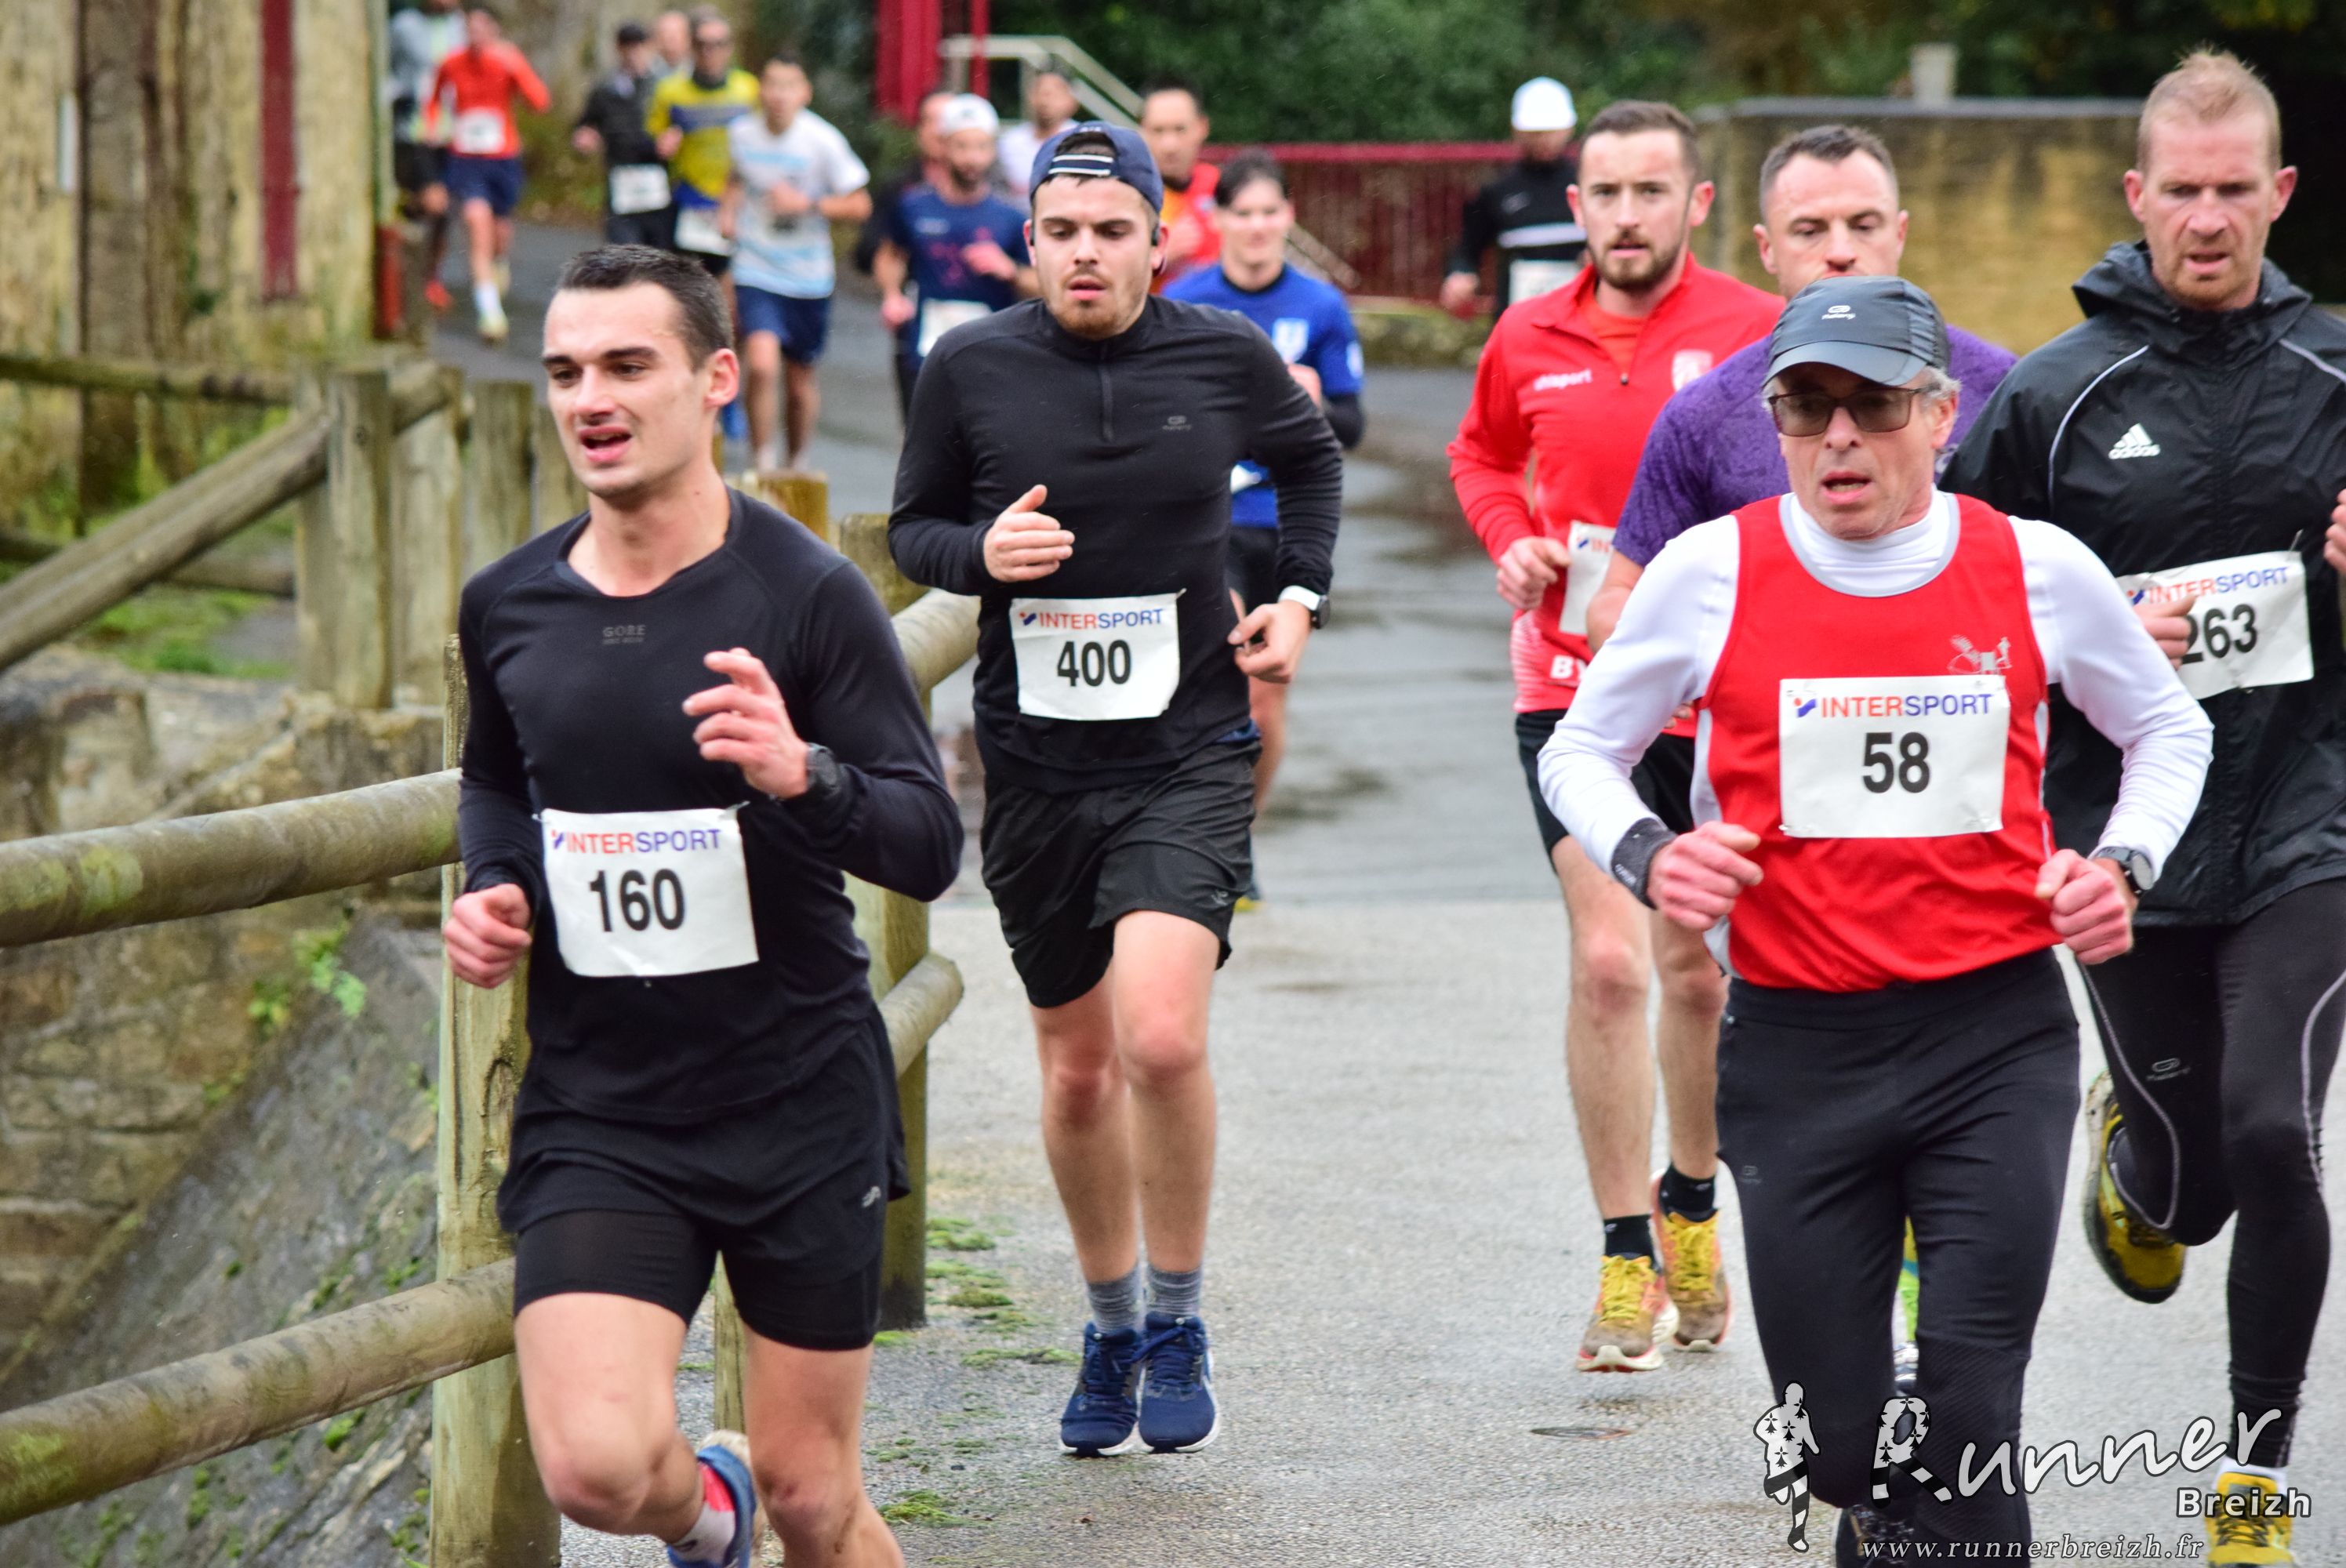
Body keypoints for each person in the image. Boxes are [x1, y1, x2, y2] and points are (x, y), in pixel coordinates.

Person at [1544, 274, 2210, 1560]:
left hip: (1993, 1038)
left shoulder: (2034, 567)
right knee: (1840, 1448)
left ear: (1942, 415)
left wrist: (2120, 865)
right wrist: (1652, 853)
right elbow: (1581, 749)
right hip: (1798, 1051)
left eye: (1875, 405)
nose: (1838, 436)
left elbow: (2168, 728)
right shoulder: (1711, 570)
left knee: (1971, 1406)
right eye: (1808, 406)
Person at [443, 244, 961, 1568]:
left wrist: (804, 775)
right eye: (566, 372)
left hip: (797, 1101)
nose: (590, 400)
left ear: (717, 379)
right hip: (604, 1107)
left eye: (628, 366)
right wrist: (495, 886)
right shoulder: (508, 604)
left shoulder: (807, 596)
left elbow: (927, 843)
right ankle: (706, 1517)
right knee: (596, 1466)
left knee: (817, 1498)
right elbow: (496, 784)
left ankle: (760, 1506)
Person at [1942, 51, 2346, 1563]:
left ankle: (2252, 1481)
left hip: (2311, 813)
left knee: (2274, 1132)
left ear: (2279, 193)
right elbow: (1956, 609)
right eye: (2180, 190)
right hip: (2125, 834)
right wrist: (2097, 627)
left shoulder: (2337, 374)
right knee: (2187, 1193)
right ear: (2136, 194)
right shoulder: (2052, 397)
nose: (2207, 218)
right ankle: (2132, 1150)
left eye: (2234, 189)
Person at [888, 123, 1344, 1457]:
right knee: (1080, 1071)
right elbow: (913, 528)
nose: (1085, 253)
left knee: (1160, 1037)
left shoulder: (1224, 354)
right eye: (1061, 232)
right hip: (1035, 771)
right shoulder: (968, 365)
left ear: (1157, 238)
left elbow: (1311, 460)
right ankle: (1108, 1323)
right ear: (1029, 241)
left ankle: (1180, 1316)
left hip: (1187, 753)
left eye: (1111, 230)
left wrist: (1298, 598)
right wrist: (981, 553)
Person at [1447, 98, 1779, 1374]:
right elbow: (1479, 458)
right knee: (1609, 964)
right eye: (1606, 194)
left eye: (1652, 192)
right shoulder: (1525, 333)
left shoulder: (1755, 331)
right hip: (1572, 694)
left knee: (1694, 970)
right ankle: (1624, 1253)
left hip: (1719, 694)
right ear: (1574, 204)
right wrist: (1511, 541)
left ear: (1697, 203)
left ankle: (1690, 1198)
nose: (1626, 216)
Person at [1165, 152, 1365, 895]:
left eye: (1268, 213)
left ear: (1288, 217)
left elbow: (1352, 425)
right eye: (1241, 213)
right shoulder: (1185, 301)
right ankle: (1192, 834)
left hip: (1281, 523)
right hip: (1206, 523)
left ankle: (1237, 841)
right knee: (1211, 676)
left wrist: (1315, 399)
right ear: (1219, 219)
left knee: (1263, 700)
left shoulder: (1320, 307)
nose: (1255, 227)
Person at [721, 51, 872, 471]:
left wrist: (806, 204)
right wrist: (727, 213)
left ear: (804, 93)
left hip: (808, 275)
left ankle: (796, 461)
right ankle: (762, 462)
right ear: (760, 90)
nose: (779, 95)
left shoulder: (822, 140)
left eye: (789, 86)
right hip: (756, 266)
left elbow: (860, 204)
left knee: (799, 383)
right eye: (772, 84)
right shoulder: (742, 133)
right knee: (761, 362)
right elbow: (736, 179)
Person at [874, 96, 1034, 417]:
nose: (972, 158)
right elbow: (890, 255)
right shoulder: (914, 206)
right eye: (962, 146)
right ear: (944, 147)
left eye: (981, 147)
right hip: (926, 347)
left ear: (993, 151)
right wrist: (892, 295)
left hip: (992, 352)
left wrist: (1010, 270)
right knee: (923, 438)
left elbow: (1045, 284)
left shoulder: (1011, 218)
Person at [428, 5, 550, 343]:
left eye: (482, 28)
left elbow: (540, 102)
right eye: (470, 28)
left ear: (495, 31)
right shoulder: (451, 63)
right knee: (475, 221)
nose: (475, 35)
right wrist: (434, 127)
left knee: (499, 233)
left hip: (502, 158)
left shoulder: (507, 60)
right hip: (466, 159)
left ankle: (499, 262)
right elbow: (433, 100)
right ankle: (490, 313)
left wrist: (516, 68)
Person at [1440, 77, 1585, 318]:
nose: (1543, 139)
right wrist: (1460, 275)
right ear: (1516, 131)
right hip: (1518, 322)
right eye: (1535, 132)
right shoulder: (1497, 191)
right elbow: (1467, 249)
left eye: (1550, 131)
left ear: (1568, 128)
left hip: (1582, 321)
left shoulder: (1590, 185)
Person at [856, 89, 956, 422]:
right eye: (930, 121)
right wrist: (892, 291)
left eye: (947, 122)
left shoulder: (994, 191)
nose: (938, 131)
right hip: (917, 316)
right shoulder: (901, 190)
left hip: (977, 318)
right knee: (919, 421)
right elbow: (868, 251)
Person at [647, 9, 760, 273]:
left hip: (735, 201)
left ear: (730, 48)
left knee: (729, 280)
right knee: (685, 279)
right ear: (691, 46)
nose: (710, 52)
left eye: (718, 44)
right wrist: (661, 144)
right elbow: (652, 136)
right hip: (687, 199)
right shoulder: (670, 90)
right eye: (702, 44)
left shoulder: (749, 89)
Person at [387, 0, 467, 314]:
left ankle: (431, 277)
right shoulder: (404, 26)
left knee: (444, 212)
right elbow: (387, 68)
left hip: (452, 132)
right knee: (432, 203)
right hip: (415, 131)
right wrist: (393, 96)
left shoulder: (461, 26)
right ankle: (411, 276)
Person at [574, 21, 675, 249]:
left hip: (659, 180)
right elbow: (586, 123)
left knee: (658, 255)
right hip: (621, 180)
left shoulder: (666, 86)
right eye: (627, 46)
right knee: (622, 253)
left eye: (639, 45)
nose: (633, 53)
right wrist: (584, 137)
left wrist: (671, 141)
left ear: (650, 47)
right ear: (619, 49)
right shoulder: (606, 89)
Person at [1139, 79, 1219, 290]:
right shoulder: (1126, 196)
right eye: (1158, 130)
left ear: (1202, 127)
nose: (1170, 145)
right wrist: (1159, 257)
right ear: (1141, 131)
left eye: (1180, 129)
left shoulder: (1222, 187)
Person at [998, 68, 1081, 198]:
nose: (1046, 100)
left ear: (1072, 101)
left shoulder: (1083, 140)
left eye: (1055, 93)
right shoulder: (1009, 143)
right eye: (1040, 91)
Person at [652, 8, 692, 77]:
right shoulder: (647, 72)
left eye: (675, 35)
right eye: (664, 34)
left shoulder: (696, 72)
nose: (670, 41)